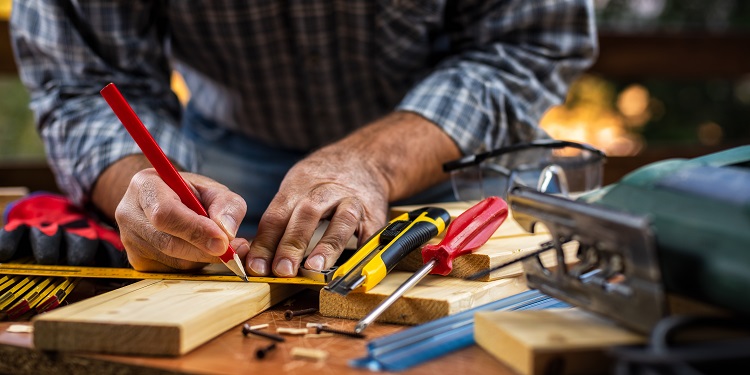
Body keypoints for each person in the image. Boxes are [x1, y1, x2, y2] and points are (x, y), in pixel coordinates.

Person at [10, 1, 597, 278]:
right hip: (224, 161)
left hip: (453, 155)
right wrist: (143, 184)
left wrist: (374, 161)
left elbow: (528, 43)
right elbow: (83, 83)